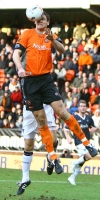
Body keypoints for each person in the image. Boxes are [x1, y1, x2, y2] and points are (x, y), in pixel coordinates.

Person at [13, 10, 95, 185]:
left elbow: (62, 50)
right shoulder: (27, 34)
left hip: (46, 80)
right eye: (38, 19)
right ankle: (52, 157)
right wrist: (19, 67)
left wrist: (51, 39)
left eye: (43, 19)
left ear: (47, 22)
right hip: (30, 83)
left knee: (63, 112)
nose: (40, 21)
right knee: (41, 123)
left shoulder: (51, 35)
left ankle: (87, 144)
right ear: (34, 20)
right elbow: (15, 54)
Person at [17, 104, 58, 195]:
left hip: (45, 106)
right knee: (28, 146)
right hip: (29, 108)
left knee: (53, 140)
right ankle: (25, 179)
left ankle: (50, 157)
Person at [64, 100, 98, 185]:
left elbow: (92, 128)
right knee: (89, 156)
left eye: (84, 106)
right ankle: (74, 162)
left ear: (86, 107)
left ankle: (72, 177)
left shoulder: (89, 118)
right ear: (78, 107)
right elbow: (65, 128)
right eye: (81, 106)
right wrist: (68, 138)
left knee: (88, 156)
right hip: (79, 141)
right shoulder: (74, 117)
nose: (82, 107)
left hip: (87, 141)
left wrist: (95, 129)